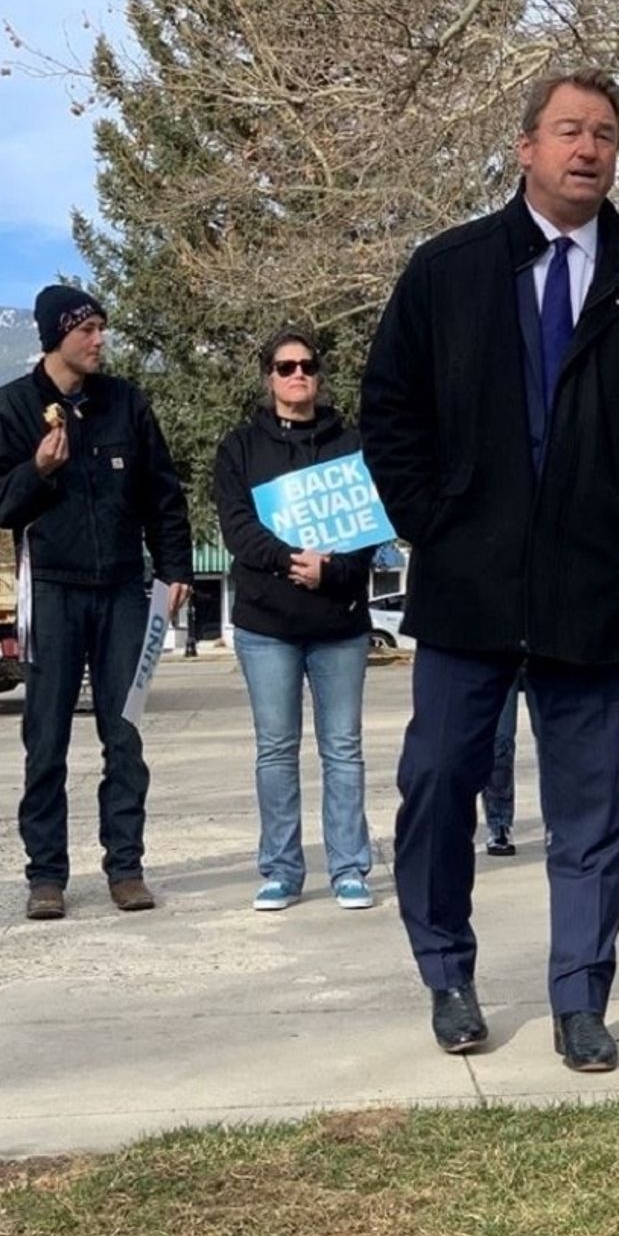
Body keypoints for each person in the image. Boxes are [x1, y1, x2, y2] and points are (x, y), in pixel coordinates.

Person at [361, 68, 619, 1072]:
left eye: (605, 133)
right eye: (569, 129)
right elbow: (390, 409)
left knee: (591, 810)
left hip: (590, 592)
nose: (588, 148)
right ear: (525, 147)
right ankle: (447, 971)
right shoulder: (450, 270)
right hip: (469, 587)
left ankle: (579, 997)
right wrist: (433, 522)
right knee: (435, 783)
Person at [0, 284, 193, 920]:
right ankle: (46, 876)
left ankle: (126, 867)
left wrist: (174, 568)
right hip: (52, 591)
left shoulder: (126, 402)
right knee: (47, 739)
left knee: (124, 734)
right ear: (55, 337)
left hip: (124, 588)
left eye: (102, 327)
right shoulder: (11, 407)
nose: (100, 340)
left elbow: (163, 494)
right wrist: (36, 469)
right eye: (87, 329)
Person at [215, 326, 375, 911]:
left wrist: (331, 575)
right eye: (285, 367)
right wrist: (291, 563)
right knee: (276, 751)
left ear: (319, 375)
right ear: (269, 378)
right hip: (266, 627)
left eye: (306, 365)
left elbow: (366, 530)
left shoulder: (352, 445)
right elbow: (238, 529)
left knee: (343, 750)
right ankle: (282, 869)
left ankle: (350, 867)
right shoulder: (239, 449)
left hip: (339, 626)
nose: (297, 374)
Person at [481, 675, 521, 856]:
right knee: (499, 743)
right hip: (502, 652)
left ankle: (563, 824)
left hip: (549, 653)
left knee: (555, 742)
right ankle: (499, 823)